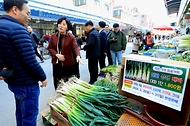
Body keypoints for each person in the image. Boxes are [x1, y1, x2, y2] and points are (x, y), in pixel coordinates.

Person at [0, 0, 48, 126]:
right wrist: (43, 77)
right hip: (27, 83)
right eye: (27, 13)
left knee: (20, 114)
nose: (29, 17)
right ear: (15, 10)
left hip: (14, 82)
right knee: (29, 118)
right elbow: (30, 60)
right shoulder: (18, 29)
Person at [48, 16, 83, 89]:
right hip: (57, 65)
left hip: (68, 64)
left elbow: (75, 47)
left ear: (67, 27)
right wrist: (57, 54)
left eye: (64, 24)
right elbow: (50, 48)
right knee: (57, 83)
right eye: (60, 24)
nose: (61, 26)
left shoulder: (71, 37)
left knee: (69, 84)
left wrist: (78, 56)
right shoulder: (53, 36)